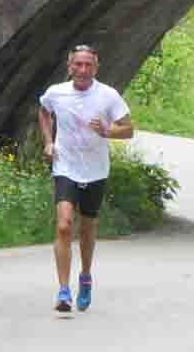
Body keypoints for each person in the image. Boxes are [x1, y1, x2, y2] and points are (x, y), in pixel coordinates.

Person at [38, 44, 133, 313]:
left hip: (95, 170)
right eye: (77, 64)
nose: (82, 70)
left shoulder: (108, 95)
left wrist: (107, 131)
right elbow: (43, 110)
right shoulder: (56, 92)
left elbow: (128, 129)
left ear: (96, 68)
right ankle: (63, 291)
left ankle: (86, 276)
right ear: (69, 67)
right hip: (65, 166)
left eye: (88, 65)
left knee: (87, 228)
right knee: (64, 225)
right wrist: (48, 142)